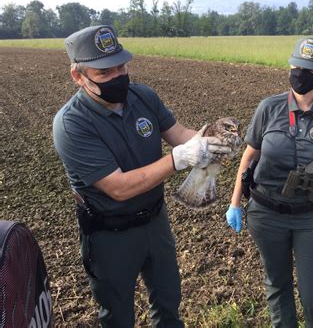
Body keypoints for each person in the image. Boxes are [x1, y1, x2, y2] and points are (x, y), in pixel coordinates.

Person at [53, 25, 230, 327]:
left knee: (168, 303)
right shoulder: (72, 125)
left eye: (121, 66)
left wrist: (208, 138)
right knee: (118, 316)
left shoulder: (143, 97)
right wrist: (177, 160)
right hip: (110, 234)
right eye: (104, 73)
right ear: (78, 76)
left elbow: (179, 135)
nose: (118, 76)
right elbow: (118, 188)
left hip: (155, 222)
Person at [226, 37, 313, 327]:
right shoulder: (269, 108)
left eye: (308, 69)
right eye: (296, 66)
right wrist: (235, 202)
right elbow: (248, 157)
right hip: (266, 215)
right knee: (277, 286)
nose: (299, 74)